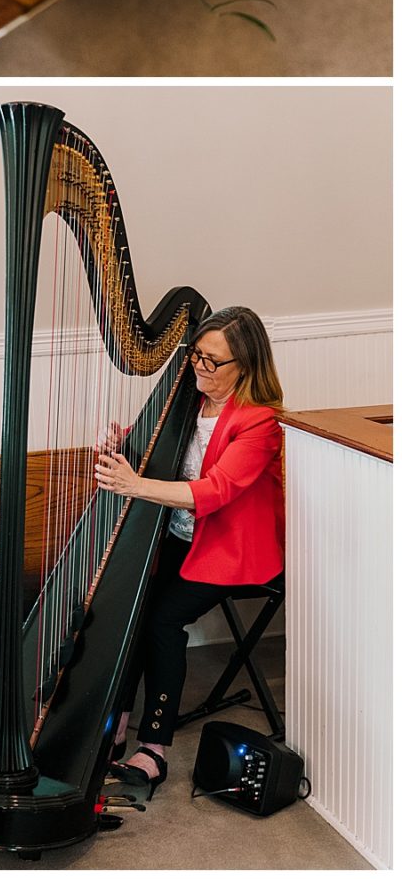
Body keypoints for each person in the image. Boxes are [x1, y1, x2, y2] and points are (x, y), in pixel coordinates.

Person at [91, 305, 285, 793]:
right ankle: (116, 723)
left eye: (213, 361)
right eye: (196, 355)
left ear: (246, 365)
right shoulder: (188, 402)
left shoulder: (260, 423)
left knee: (161, 619)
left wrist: (133, 485)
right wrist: (124, 448)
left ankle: (154, 748)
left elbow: (214, 491)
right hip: (178, 538)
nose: (199, 366)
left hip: (230, 551)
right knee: (132, 608)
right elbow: (160, 457)